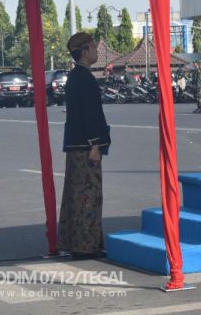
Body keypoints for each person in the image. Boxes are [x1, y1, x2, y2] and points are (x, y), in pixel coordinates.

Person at [58, 32, 111, 259]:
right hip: (86, 147)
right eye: (93, 48)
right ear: (85, 51)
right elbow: (90, 116)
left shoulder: (74, 77)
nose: (97, 52)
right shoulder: (85, 79)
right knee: (87, 197)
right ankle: (85, 246)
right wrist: (96, 145)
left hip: (75, 146)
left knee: (75, 195)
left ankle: (77, 242)